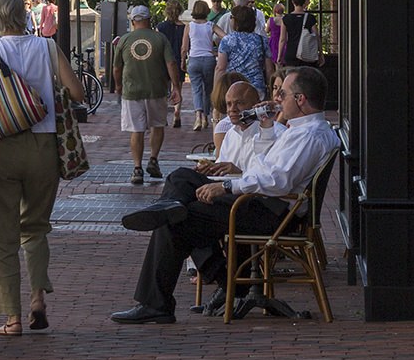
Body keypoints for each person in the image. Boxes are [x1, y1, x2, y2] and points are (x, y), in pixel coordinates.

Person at [113, 66, 340, 323]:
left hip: (271, 211)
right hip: (262, 202)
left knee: (178, 220)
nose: (277, 99)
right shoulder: (301, 130)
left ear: (300, 100)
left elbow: (277, 181)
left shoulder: (309, 135)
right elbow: (264, 168)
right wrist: (264, 131)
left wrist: (227, 186)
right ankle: (168, 207)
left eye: (283, 94)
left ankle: (159, 302)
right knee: (181, 177)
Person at [0, 0, 85, 337]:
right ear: (21, 11)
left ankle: (12, 317)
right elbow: (77, 93)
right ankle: (37, 299)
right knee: (35, 226)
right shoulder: (47, 47)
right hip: (44, 146)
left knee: (2, 234)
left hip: (3, 147)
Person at [110, 6, 173, 184]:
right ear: (149, 19)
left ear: (133, 21)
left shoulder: (125, 39)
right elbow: (171, 64)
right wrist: (176, 86)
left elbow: (116, 67)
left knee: (136, 130)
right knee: (158, 125)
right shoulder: (160, 38)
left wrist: (118, 85)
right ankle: (153, 159)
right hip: (157, 89)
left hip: (132, 91)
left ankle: (137, 168)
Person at [212, 4, 268, 101]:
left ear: (235, 21)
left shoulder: (227, 41)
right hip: (256, 88)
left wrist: (216, 91)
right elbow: (269, 68)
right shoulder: (262, 40)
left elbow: (220, 68)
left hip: (233, 87)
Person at [181, 1, 219, 128]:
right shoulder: (211, 25)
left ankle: (198, 116)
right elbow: (225, 36)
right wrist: (217, 51)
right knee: (208, 90)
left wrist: (183, 61)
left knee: (196, 89)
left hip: (194, 59)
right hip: (209, 59)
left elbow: (184, 47)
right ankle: (206, 117)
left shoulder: (189, 26)